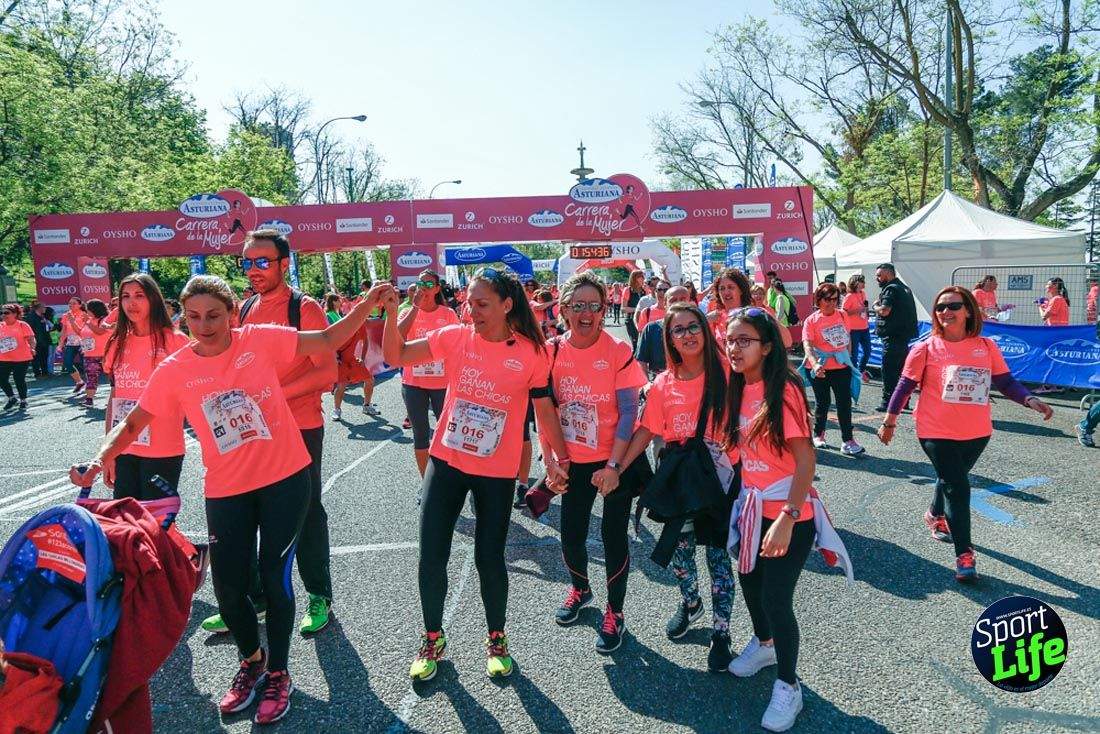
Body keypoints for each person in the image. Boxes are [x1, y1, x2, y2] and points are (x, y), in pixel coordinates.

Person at [70, 275, 385, 724]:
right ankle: (252, 660)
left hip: (284, 478)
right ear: (183, 316)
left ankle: (278, 673)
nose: (204, 326)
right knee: (229, 587)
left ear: (232, 313)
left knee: (275, 577)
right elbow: (134, 420)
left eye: (214, 315)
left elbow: (330, 339)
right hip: (226, 485)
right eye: (194, 317)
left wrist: (368, 303)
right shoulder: (177, 367)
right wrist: (99, 459)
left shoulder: (260, 339)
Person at [380, 267, 570, 682]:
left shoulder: (532, 353)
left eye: (482, 304)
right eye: (469, 302)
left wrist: (557, 457)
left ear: (507, 305)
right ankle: (432, 638)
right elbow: (396, 356)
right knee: (431, 555)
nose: (472, 310)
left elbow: (543, 408)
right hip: (446, 462)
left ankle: (497, 639)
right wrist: (395, 314)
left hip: (495, 473)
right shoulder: (455, 336)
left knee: (489, 558)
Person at [204, 228, 339, 637]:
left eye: (262, 262)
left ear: (283, 264)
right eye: (247, 262)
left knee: (306, 512)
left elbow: (327, 373)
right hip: (252, 431)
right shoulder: (245, 308)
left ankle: (318, 594)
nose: (253, 270)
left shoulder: (304, 308)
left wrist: (272, 396)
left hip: (300, 426)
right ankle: (255, 598)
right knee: (247, 511)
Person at [723, 306, 850, 733]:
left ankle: (788, 685)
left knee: (776, 598)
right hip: (752, 509)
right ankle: (765, 645)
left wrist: (788, 518)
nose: (734, 348)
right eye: (730, 340)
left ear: (766, 346)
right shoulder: (737, 387)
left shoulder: (784, 390)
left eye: (744, 340)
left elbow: (805, 460)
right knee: (749, 583)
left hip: (789, 514)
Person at [877, 286, 1053, 582]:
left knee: (951, 478)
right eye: (940, 307)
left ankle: (935, 514)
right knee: (958, 487)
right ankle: (965, 556)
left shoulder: (986, 346)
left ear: (968, 310)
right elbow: (904, 386)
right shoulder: (925, 348)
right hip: (935, 430)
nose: (945, 312)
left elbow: (1005, 382)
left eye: (953, 306)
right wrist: (889, 422)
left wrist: (1029, 399)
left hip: (976, 432)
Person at [620, 303, 738, 672]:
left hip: (720, 478)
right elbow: (646, 430)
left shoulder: (728, 373)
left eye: (692, 327)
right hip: (680, 478)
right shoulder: (662, 384)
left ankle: (721, 633)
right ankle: (690, 603)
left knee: (718, 558)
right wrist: (616, 467)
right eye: (678, 330)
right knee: (680, 552)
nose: (687, 335)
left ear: (705, 329)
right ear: (669, 339)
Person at [543, 272, 647, 653]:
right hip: (573, 460)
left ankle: (615, 611)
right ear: (564, 309)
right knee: (571, 534)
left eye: (594, 306)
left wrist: (614, 467)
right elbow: (544, 409)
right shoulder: (551, 351)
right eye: (578, 305)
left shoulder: (617, 350)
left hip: (614, 459)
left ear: (604, 310)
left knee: (612, 535)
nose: (586, 313)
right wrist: (551, 459)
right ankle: (580, 589)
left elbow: (629, 411)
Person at [102, 273, 191, 499]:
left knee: (156, 517)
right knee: (124, 516)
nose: (131, 303)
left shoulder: (176, 341)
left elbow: (193, 393)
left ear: (153, 298)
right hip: (124, 445)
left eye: (139, 295)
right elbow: (115, 396)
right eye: (126, 296)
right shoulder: (117, 342)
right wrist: (107, 450)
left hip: (163, 448)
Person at [398, 270, 460, 477]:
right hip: (413, 383)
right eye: (420, 283)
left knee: (447, 434)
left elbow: (458, 345)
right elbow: (397, 336)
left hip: (442, 383)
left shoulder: (448, 314)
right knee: (420, 434)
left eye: (429, 284)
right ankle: (425, 481)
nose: (424, 287)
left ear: (437, 289)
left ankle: (446, 480)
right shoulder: (408, 311)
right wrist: (415, 307)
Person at [802, 283, 864, 456]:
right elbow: (808, 346)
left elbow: (847, 338)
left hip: (841, 367)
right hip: (818, 368)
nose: (831, 303)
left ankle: (848, 441)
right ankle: (818, 434)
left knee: (844, 403)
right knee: (823, 402)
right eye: (827, 299)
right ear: (819, 300)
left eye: (835, 299)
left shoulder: (843, 315)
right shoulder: (811, 320)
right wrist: (815, 364)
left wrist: (848, 359)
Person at [871, 263, 917, 412]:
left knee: (889, 370)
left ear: (888, 274)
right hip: (903, 336)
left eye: (879, 275)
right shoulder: (904, 288)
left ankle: (888, 402)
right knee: (901, 370)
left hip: (893, 336)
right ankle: (904, 401)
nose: (877, 279)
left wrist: (875, 306)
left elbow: (885, 311)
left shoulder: (891, 289)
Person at [636, 286, 693, 377]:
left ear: (690, 302)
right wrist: (646, 382)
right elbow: (641, 361)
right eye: (673, 300)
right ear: (665, 304)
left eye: (683, 299)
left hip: (690, 380)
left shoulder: (698, 329)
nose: (678, 303)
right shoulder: (651, 329)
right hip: (658, 380)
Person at [706, 268, 753, 348]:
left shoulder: (753, 316)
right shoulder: (714, 318)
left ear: (741, 290)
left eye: (731, 287)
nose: (726, 292)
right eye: (722, 288)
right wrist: (705, 321)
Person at [0, 304, 35, 411]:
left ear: (15, 314)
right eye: (2, 313)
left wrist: (32, 348)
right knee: (2, 378)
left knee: (18, 378)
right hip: (4, 357)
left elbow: (31, 339)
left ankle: (23, 400)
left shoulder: (22, 325)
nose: (3, 315)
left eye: (6, 313)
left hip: (21, 357)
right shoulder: (1, 326)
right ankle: (12, 398)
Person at [78, 299, 112, 408]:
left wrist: (88, 322)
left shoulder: (105, 319)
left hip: (105, 354)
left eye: (88, 309)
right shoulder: (89, 320)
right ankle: (89, 399)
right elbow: (80, 333)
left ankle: (115, 399)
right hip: (89, 355)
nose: (86, 311)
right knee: (91, 377)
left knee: (112, 377)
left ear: (94, 309)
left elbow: (100, 331)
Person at [843, 275, 872, 382]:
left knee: (868, 351)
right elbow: (843, 312)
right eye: (862, 281)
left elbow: (864, 307)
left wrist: (866, 312)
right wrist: (857, 311)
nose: (864, 283)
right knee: (854, 355)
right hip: (853, 330)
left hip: (865, 327)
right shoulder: (849, 296)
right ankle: (854, 375)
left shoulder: (863, 293)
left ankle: (861, 371)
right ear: (855, 283)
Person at [58, 297, 87, 394]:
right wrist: (60, 344)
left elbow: (85, 329)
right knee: (67, 363)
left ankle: (90, 385)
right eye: (70, 303)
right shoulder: (66, 315)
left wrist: (73, 321)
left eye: (74, 303)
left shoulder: (84, 314)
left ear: (80, 305)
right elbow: (64, 331)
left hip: (83, 342)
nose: (71, 305)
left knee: (85, 364)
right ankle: (79, 382)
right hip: (71, 342)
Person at [25, 303, 52, 378]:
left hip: (44, 341)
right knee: (36, 358)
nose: (45, 309)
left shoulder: (42, 316)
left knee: (44, 357)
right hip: (36, 341)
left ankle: (45, 372)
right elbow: (30, 330)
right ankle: (37, 373)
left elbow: (46, 328)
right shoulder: (31, 317)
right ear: (39, 308)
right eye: (44, 307)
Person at [623, 270, 646, 351]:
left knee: (643, 344)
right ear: (634, 278)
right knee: (636, 344)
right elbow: (623, 309)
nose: (643, 278)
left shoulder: (644, 290)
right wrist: (638, 309)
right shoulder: (628, 290)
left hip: (643, 320)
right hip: (631, 320)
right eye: (640, 277)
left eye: (643, 276)